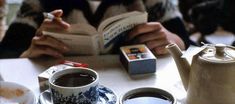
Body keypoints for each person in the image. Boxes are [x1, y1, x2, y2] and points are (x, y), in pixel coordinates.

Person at [0, 0, 194, 58]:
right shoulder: (39, 2)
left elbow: (189, 46)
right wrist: (28, 55)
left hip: (135, 93)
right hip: (63, 93)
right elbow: (7, 55)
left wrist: (173, 41)